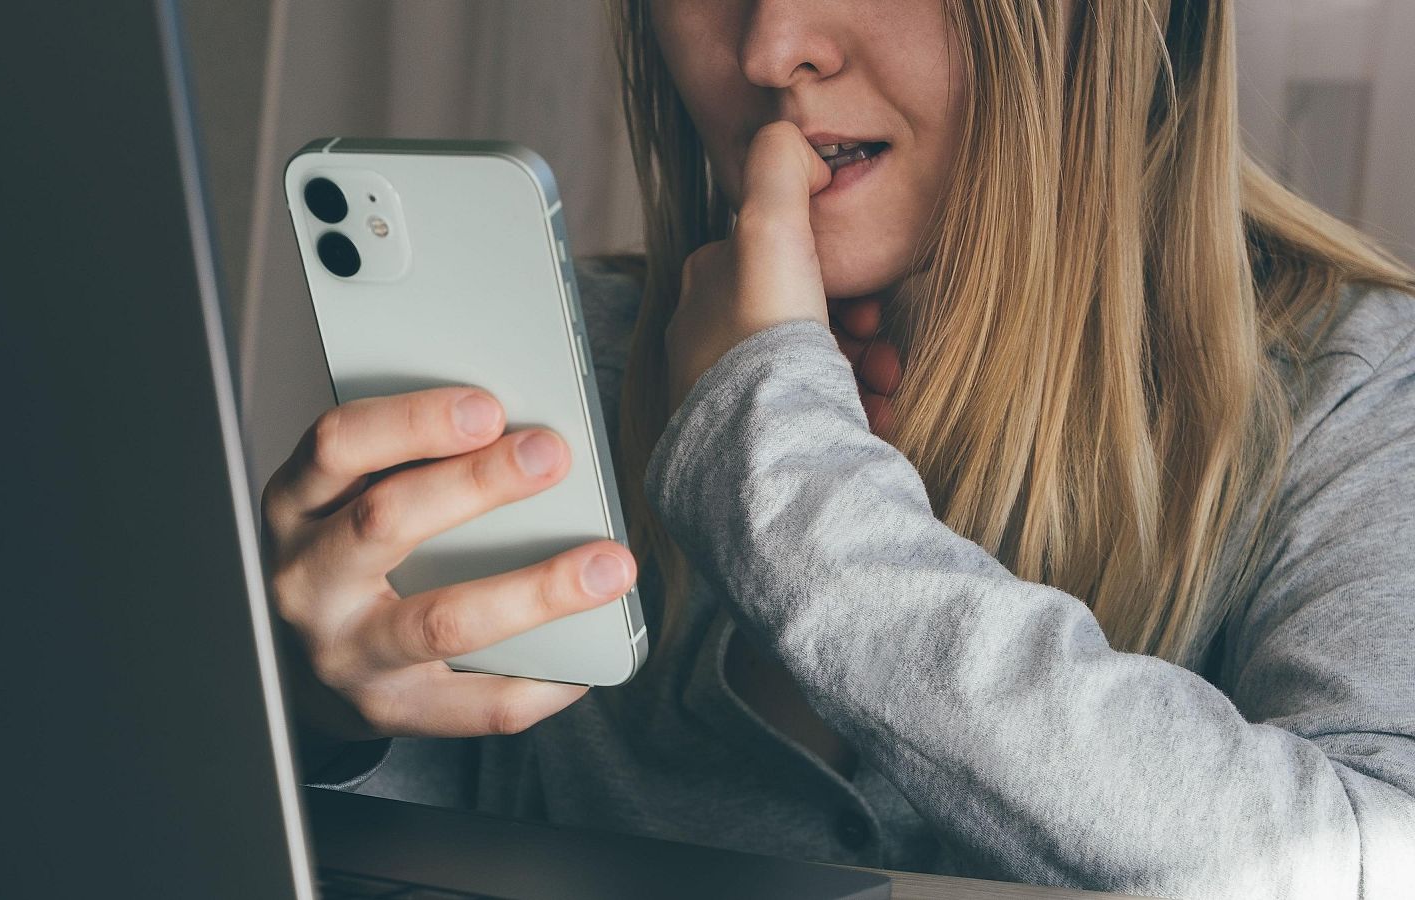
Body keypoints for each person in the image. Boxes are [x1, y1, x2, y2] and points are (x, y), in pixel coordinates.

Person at [259, 1, 1415, 897]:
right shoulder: (572, 362)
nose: (770, 45)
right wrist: (319, 721)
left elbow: (1361, 864)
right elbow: (442, 833)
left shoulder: (1362, 390)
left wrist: (778, 472)